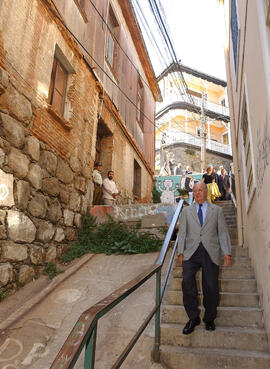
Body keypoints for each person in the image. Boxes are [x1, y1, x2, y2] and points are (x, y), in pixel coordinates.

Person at [177, 182, 231, 335]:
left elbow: (222, 232)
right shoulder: (186, 211)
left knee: (211, 286)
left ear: (206, 192)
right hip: (191, 251)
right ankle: (193, 318)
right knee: (187, 282)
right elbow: (182, 233)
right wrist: (180, 252)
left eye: (200, 190)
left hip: (210, 251)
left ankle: (209, 319)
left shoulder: (217, 210)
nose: (198, 193)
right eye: (195, 191)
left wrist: (226, 252)